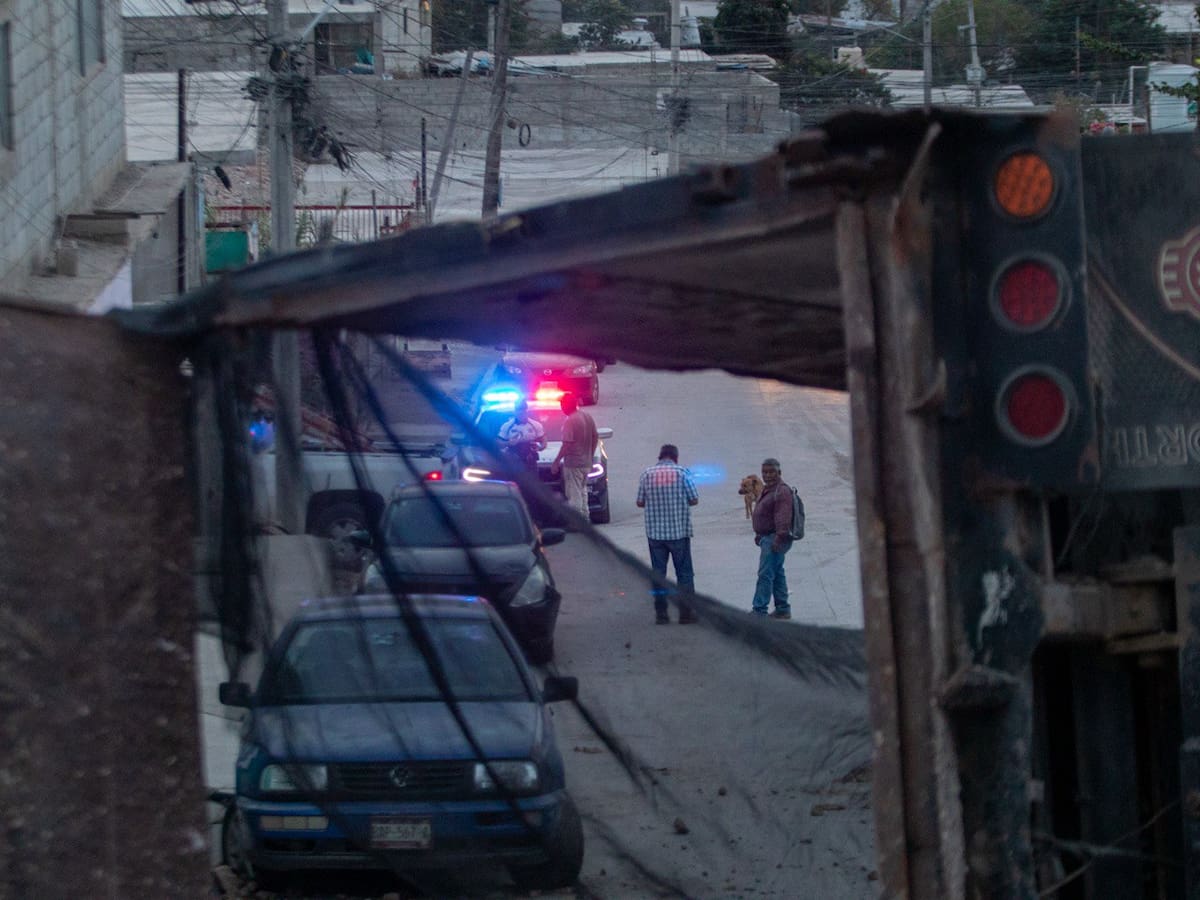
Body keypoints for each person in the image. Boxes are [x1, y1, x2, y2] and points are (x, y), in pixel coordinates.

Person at [636, 444, 699, 624]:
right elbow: (694, 499)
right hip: (679, 532)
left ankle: (661, 614)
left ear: (660, 456)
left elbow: (640, 502)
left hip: (655, 535)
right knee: (685, 574)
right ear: (675, 457)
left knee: (658, 574)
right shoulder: (682, 473)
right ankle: (686, 614)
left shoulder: (647, 474)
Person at [750, 457, 793, 619]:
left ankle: (759, 610)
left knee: (765, 574)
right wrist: (759, 534)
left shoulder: (781, 491)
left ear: (779, 473)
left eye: (771, 472)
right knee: (777, 572)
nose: (767, 475)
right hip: (767, 538)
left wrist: (779, 539)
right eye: (764, 472)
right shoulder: (768, 489)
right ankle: (783, 608)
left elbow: (783, 517)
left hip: (775, 539)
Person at [550, 392, 597, 520]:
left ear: (566, 405)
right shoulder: (587, 416)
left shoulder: (570, 421)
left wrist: (556, 461)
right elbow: (595, 437)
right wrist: (590, 456)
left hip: (573, 464)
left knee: (574, 494)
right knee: (583, 492)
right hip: (586, 464)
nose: (561, 407)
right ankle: (586, 518)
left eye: (562, 404)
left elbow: (567, 444)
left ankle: (578, 522)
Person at [497, 400, 546, 476]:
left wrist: (539, 448)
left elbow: (543, 441)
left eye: (523, 410)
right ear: (515, 411)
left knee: (532, 484)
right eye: (518, 410)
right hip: (513, 460)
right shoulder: (507, 426)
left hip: (530, 460)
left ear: (526, 411)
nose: (521, 413)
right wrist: (508, 443)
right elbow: (498, 442)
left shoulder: (535, 425)